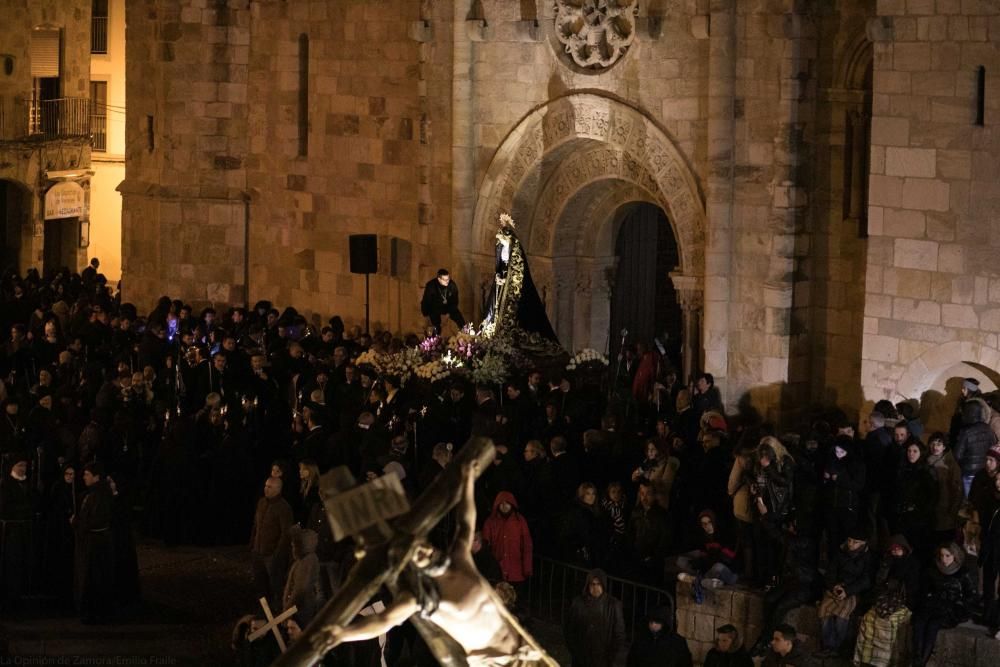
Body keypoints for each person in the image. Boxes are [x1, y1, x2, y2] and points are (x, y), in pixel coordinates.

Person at [310, 461, 557, 666]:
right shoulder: (421, 596)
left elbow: (466, 523)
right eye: (417, 554)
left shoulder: (459, 561)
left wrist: (467, 483)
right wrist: (342, 634)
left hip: (527, 652)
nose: (425, 552)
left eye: (423, 547)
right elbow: (381, 622)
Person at [480, 213, 558, 343]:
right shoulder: (500, 247)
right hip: (501, 282)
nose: (501, 243)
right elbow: (499, 265)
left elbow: (517, 268)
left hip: (512, 282)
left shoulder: (515, 249)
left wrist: (508, 279)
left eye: (503, 239)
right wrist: (499, 276)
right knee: (494, 307)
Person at [853, 534, 921, 667]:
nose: (895, 551)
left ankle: (881, 662)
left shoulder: (912, 564)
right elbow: (879, 583)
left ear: (904, 549)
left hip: (903, 603)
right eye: (893, 549)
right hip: (884, 600)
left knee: (887, 622)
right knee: (868, 619)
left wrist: (896, 587)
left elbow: (912, 589)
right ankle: (866, 659)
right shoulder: (887, 561)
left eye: (898, 549)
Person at [910, 543, 977, 666]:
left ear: (955, 556)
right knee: (919, 622)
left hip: (951, 608)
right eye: (942, 555)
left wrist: (959, 606)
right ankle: (917, 660)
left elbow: (971, 595)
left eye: (948, 555)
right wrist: (928, 597)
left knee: (933, 625)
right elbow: (924, 590)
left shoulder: (963, 573)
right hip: (933, 604)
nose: (944, 559)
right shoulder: (933, 570)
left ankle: (921, 663)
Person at [815, 530, 873, 657]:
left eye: (855, 542)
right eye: (850, 540)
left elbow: (866, 580)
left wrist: (848, 591)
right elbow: (830, 572)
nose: (851, 544)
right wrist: (834, 586)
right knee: (824, 610)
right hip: (836, 588)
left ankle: (837, 647)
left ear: (862, 543)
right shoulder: (840, 553)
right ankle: (827, 646)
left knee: (842, 617)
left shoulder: (867, 558)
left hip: (852, 592)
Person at [74, 462, 115, 623]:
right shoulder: (94, 493)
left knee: (95, 578)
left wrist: (78, 523)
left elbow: (97, 520)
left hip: (96, 544)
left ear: (96, 476)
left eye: (87, 474)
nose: (84, 477)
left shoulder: (100, 495)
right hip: (93, 541)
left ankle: (95, 611)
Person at [563, 569, 625, 667]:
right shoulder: (578, 603)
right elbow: (569, 628)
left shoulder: (613, 605)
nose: (595, 587)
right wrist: (575, 651)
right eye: (592, 584)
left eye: (598, 584)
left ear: (603, 585)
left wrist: (611, 656)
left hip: (603, 659)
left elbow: (619, 634)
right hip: (581, 658)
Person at [251, 476, 294, 608]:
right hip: (258, 552)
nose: (266, 489)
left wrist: (277, 554)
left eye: (269, 487)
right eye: (265, 486)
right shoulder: (262, 503)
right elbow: (256, 525)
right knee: (260, 584)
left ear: (278, 489)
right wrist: (253, 544)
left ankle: (278, 612)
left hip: (271, 554)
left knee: (276, 584)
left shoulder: (283, 508)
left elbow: (285, 533)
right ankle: (263, 609)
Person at [481, 491, 534, 590]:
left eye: (507, 503)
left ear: (512, 504)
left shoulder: (520, 521)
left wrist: (527, 568)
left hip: (516, 572)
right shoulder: (491, 522)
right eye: (501, 503)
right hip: (497, 572)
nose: (504, 506)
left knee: (514, 600)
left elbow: (527, 545)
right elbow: (485, 545)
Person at [625, 605, 691, 667]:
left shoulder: (677, 643)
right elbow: (632, 661)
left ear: (664, 623)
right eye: (651, 621)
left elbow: (684, 663)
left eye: (657, 622)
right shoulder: (641, 640)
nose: (653, 625)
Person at [420, 268, 465, 334]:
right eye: (445, 279)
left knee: (459, 319)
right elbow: (427, 301)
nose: (447, 281)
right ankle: (436, 338)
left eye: (448, 279)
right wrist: (426, 314)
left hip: (448, 307)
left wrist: (448, 314)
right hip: (434, 307)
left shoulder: (452, 285)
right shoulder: (431, 286)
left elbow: (455, 301)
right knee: (436, 323)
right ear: (439, 279)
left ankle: (465, 334)